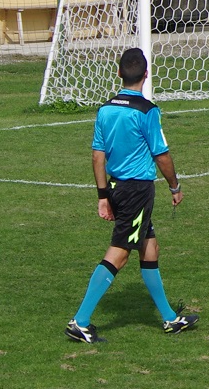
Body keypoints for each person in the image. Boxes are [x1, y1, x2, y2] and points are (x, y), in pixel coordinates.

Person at [65, 47, 197, 343]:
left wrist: (102, 195)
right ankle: (81, 320)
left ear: (119, 73)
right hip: (137, 190)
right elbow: (161, 155)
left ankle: (168, 318)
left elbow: (97, 156)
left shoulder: (106, 109)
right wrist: (174, 186)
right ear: (146, 75)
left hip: (115, 187)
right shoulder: (147, 111)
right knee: (120, 252)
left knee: (150, 248)